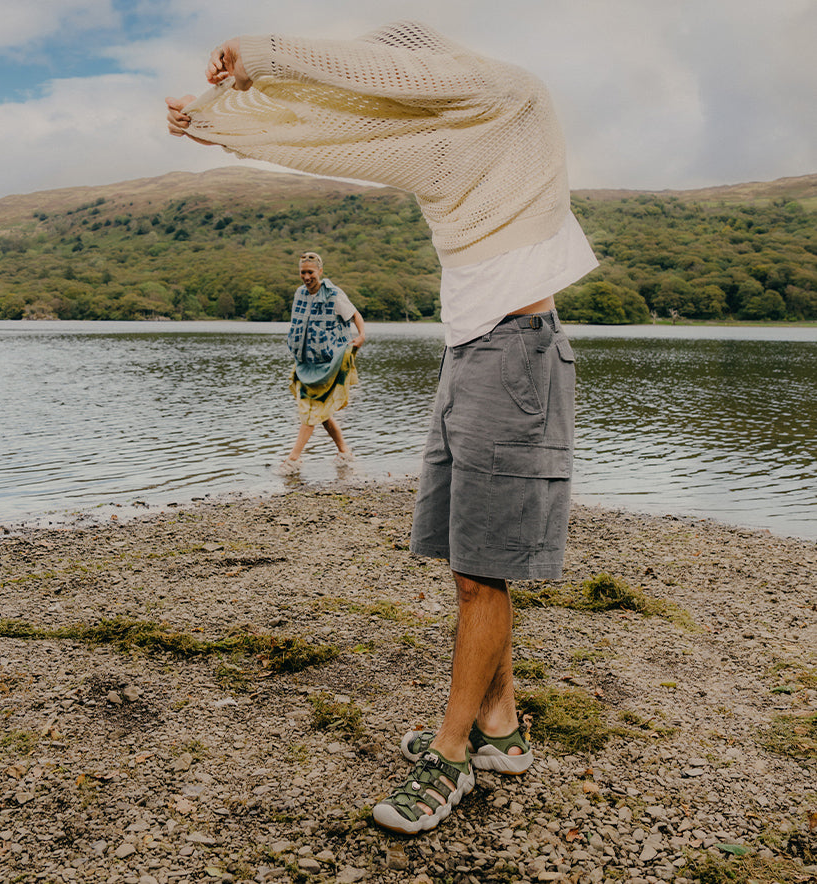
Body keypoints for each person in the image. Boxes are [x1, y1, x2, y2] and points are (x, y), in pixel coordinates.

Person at [166, 20, 597, 835]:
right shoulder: (444, 146)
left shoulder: (509, 98)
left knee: (482, 570)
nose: (390, 89)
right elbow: (328, 134)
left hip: (515, 354)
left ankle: (451, 754)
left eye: (398, 71)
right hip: (472, 352)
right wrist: (217, 118)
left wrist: (262, 53)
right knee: (469, 564)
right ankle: (500, 728)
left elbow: (359, 72)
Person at [277, 250, 366, 475]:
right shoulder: (300, 293)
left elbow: (355, 314)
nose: (306, 277)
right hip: (305, 362)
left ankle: (293, 460)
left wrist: (361, 335)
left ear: (320, 271)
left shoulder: (334, 294)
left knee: (311, 410)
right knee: (321, 412)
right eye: (302, 272)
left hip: (327, 364)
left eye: (310, 272)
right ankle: (344, 452)